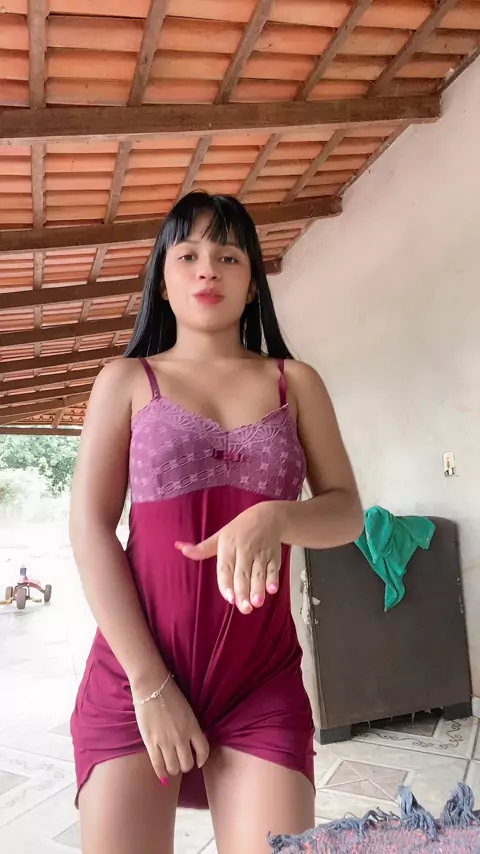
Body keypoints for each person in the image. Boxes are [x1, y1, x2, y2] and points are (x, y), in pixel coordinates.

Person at [69, 191, 363, 854]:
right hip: (134, 674)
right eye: (189, 254)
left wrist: (277, 516)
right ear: (162, 280)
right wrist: (150, 685)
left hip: (260, 682)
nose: (208, 269)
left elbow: (346, 510)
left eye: (229, 256)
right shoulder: (126, 380)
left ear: (253, 283)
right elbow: (89, 528)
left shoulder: (295, 381)